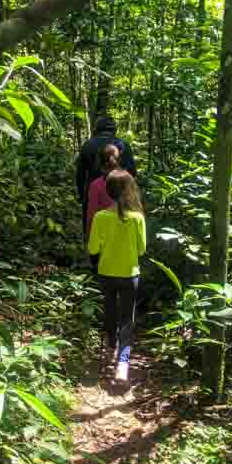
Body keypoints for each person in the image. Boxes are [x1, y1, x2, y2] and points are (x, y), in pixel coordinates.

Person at [88, 169, 146, 382]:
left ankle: (110, 349)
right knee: (127, 319)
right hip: (130, 275)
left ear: (108, 191)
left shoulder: (100, 217)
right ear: (130, 191)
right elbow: (141, 250)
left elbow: (93, 249)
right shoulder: (137, 218)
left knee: (110, 313)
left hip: (106, 273)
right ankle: (123, 363)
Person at [76, 115, 136, 238]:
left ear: (96, 129)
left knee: (94, 231)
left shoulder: (88, 145)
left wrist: (82, 195)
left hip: (94, 195)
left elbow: (80, 175)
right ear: (114, 129)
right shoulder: (123, 145)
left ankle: (95, 254)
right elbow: (132, 173)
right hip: (120, 196)